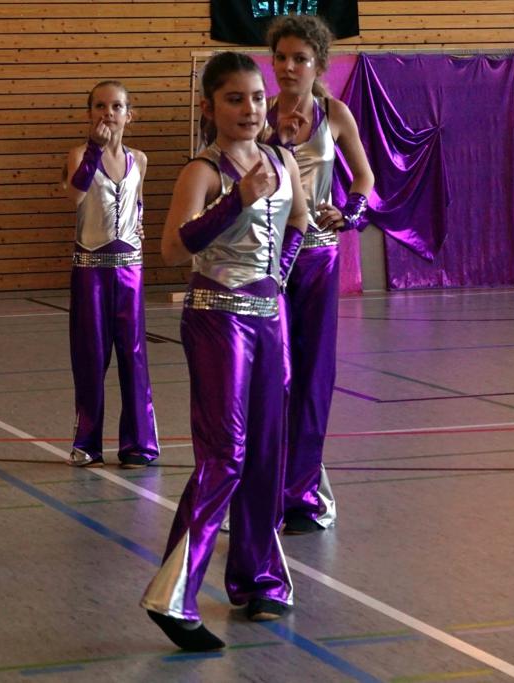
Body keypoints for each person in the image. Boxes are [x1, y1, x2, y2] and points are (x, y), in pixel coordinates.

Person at [139, 52, 308, 650]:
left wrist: (278, 278)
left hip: (270, 320)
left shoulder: (283, 160)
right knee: (225, 456)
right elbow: (171, 249)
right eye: (235, 99)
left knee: (266, 454)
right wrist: (236, 199)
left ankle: (259, 578)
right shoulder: (203, 169)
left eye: (258, 97)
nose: (250, 109)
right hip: (218, 319)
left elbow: (298, 224)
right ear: (209, 107)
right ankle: (173, 594)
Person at [266, 14, 374, 533]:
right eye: (281, 57)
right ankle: (264, 490)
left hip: (320, 258)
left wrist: (350, 212)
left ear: (318, 65)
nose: (288, 67)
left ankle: (304, 495)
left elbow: (365, 177)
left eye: (300, 58)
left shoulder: (335, 113)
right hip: (270, 259)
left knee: (314, 377)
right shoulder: (259, 115)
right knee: (276, 374)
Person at [62, 81, 160, 469]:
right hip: (91, 270)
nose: (108, 113)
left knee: (134, 357)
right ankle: (87, 443)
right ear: (90, 114)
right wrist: (93, 149)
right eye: (100, 106)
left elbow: (139, 203)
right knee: (90, 357)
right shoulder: (78, 154)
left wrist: (139, 227)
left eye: (116, 106)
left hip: (130, 270)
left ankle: (139, 444)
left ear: (129, 115)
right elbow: (75, 196)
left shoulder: (140, 159)